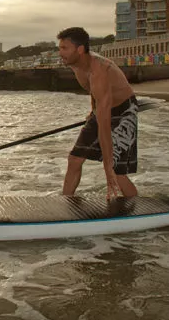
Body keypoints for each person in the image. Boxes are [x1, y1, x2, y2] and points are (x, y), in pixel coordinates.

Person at [57, 27, 139, 199]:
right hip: (102, 106)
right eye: (60, 48)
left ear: (79, 50)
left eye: (64, 48)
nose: (60, 52)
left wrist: (107, 168)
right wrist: (92, 110)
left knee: (117, 171)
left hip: (124, 110)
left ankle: (139, 208)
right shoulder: (76, 65)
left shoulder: (99, 71)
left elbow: (104, 125)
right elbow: (93, 92)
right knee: (74, 160)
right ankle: (65, 203)